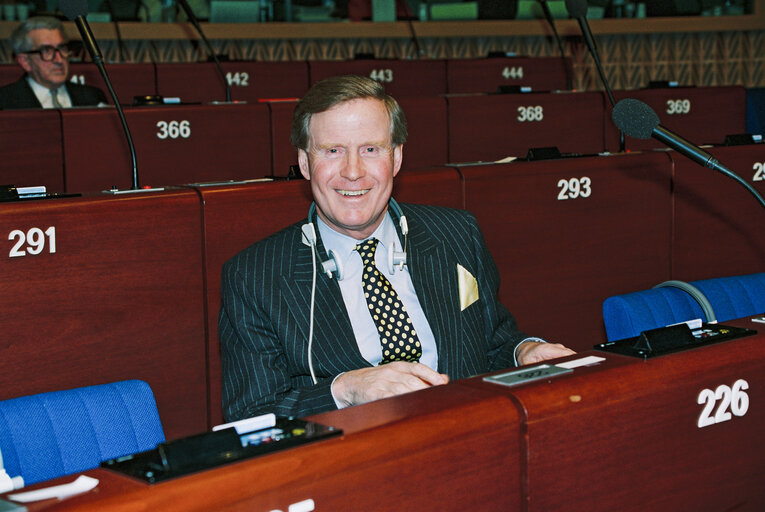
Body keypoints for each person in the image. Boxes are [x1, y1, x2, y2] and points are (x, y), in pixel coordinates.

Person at [219, 75, 575, 421]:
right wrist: (344, 390)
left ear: (397, 158)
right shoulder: (255, 275)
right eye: (333, 151)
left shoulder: (456, 234)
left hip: (467, 441)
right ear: (304, 163)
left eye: (370, 150)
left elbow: (493, 341)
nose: (353, 171)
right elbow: (251, 416)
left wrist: (524, 351)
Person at [0, 16, 107, 110]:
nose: (59, 60)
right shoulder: (5, 101)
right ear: (25, 61)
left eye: (62, 48)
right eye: (46, 51)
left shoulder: (92, 97)